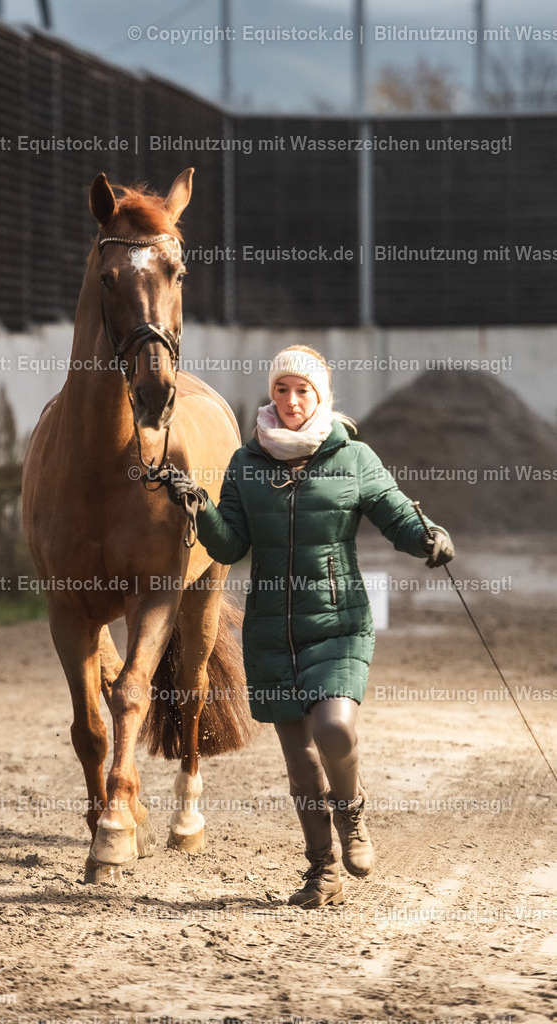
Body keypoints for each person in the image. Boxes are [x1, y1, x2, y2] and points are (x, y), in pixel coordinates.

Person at [165, 346, 454, 909]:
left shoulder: (354, 458)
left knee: (336, 730)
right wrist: (199, 509)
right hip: (272, 629)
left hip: (340, 620)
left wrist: (427, 536)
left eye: (302, 391)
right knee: (299, 761)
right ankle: (322, 870)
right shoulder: (247, 463)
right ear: (271, 395)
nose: (291, 401)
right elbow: (232, 544)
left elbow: (395, 511)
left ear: (321, 396)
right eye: (281, 391)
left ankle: (353, 817)